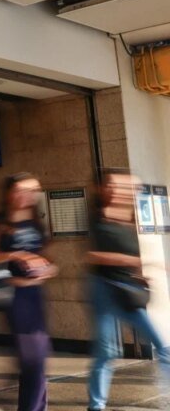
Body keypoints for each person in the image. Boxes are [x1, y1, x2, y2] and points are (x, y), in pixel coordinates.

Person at [87, 169, 170, 411]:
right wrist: (134, 263)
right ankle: (96, 406)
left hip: (128, 290)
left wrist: (141, 273)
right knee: (107, 351)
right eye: (116, 186)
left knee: (163, 347)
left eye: (127, 187)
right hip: (103, 289)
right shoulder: (98, 218)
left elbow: (133, 253)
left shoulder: (130, 218)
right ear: (105, 189)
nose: (122, 190)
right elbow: (93, 255)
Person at [0, 173, 57, 411]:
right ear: (9, 193)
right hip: (14, 296)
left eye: (32, 191)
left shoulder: (36, 222)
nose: (27, 196)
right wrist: (15, 255)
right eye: (21, 190)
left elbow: (45, 257)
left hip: (36, 295)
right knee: (33, 359)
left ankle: (22, 402)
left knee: (37, 359)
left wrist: (49, 268)